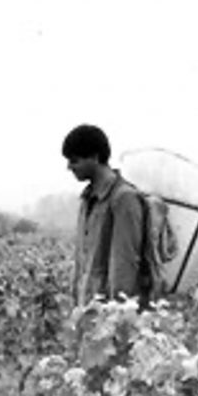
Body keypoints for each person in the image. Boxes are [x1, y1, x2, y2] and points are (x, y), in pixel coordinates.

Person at [62, 124, 147, 306]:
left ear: (94, 157)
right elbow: (81, 261)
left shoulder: (124, 198)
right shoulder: (87, 199)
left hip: (108, 315)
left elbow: (125, 265)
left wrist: (116, 317)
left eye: (74, 160)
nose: (69, 167)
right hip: (87, 309)